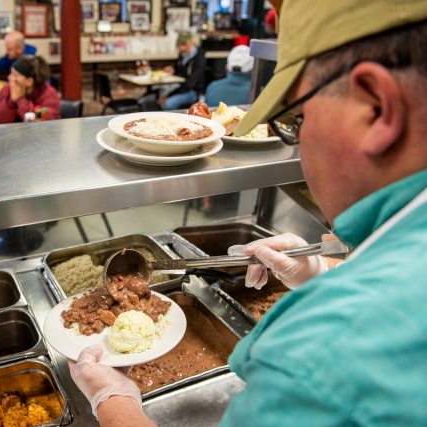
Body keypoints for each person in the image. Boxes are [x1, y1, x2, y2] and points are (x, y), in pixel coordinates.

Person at [69, 0, 427, 426]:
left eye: (298, 119)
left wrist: (114, 400)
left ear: (377, 106)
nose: (299, 145)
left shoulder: (328, 350)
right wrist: (322, 271)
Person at [0, 55, 59, 124]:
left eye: (15, 75)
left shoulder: (49, 94)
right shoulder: (8, 88)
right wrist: (11, 103)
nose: (9, 77)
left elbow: (40, 122)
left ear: (29, 81)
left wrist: (20, 100)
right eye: (11, 73)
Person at [162, 31, 206, 110]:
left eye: (184, 44)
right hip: (181, 87)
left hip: (194, 92)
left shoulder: (199, 59)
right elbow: (181, 71)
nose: (181, 47)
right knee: (161, 93)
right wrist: (173, 69)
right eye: (179, 44)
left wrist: (170, 95)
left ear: (191, 42)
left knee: (168, 104)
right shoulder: (183, 55)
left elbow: (190, 84)